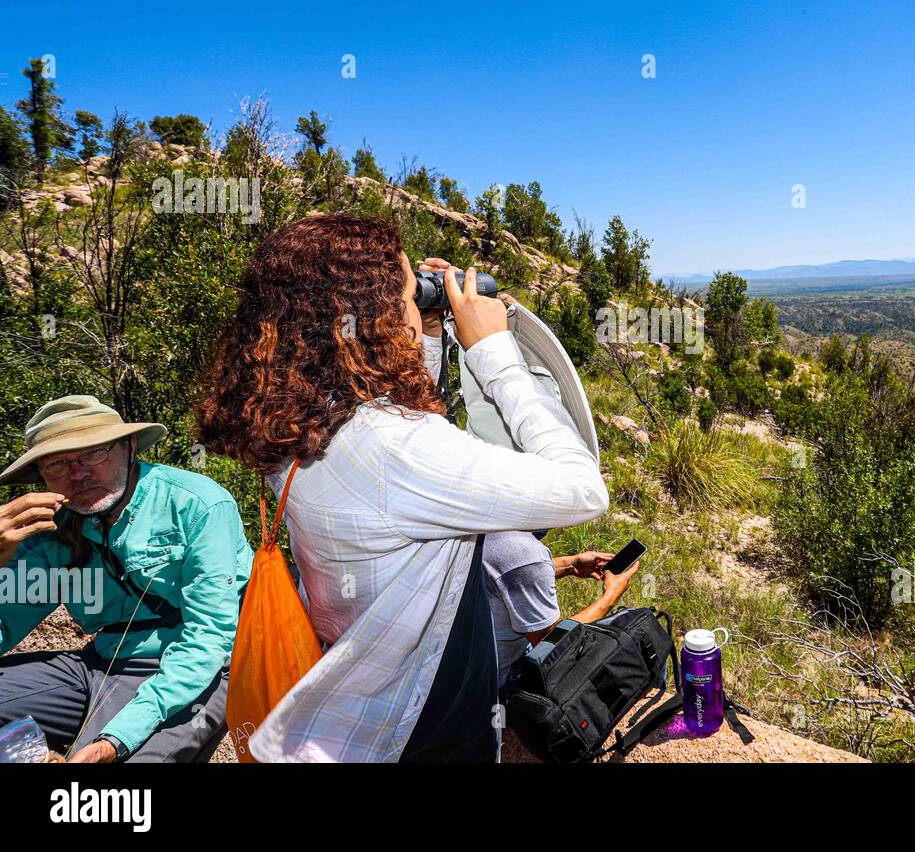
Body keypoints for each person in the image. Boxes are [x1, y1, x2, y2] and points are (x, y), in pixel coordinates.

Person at [195, 214, 608, 762]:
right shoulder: (394, 449)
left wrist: (430, 333)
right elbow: (582, 487)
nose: (416, 307)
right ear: (373, 319)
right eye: (410, 297)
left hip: (367, 682)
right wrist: (495, 354)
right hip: (427, 714)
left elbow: (399, 424)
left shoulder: (303, 422)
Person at [0, 395, 251, 762]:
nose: (78, 472)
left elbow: (209, 638)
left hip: (198, 670)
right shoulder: (47, 531)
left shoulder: (196, 505)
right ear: (42, 477)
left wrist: (115, 738)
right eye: (57, 464)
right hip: (99, 663)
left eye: (94, 453)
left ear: (130, 446)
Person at [485, 534, 639, 696]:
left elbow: (507, 569)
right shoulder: (523, 552)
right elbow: (552, 647)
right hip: (496, 683)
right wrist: (610, 597)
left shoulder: (487, 525)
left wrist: (569, 566)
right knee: (633, 643)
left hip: (467, 661)